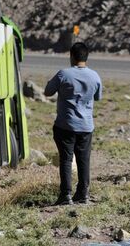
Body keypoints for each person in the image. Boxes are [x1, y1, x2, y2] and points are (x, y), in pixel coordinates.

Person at [44, 42, 102, 205]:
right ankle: (83, 193)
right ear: (86, 57)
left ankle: (66, 195)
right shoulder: (95, 76)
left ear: (71, 56)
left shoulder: (64, 74)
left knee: (66, 159)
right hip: (86, 126)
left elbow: (48, 91)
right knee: (84, 160)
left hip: (66, 125)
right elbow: (97, 97)